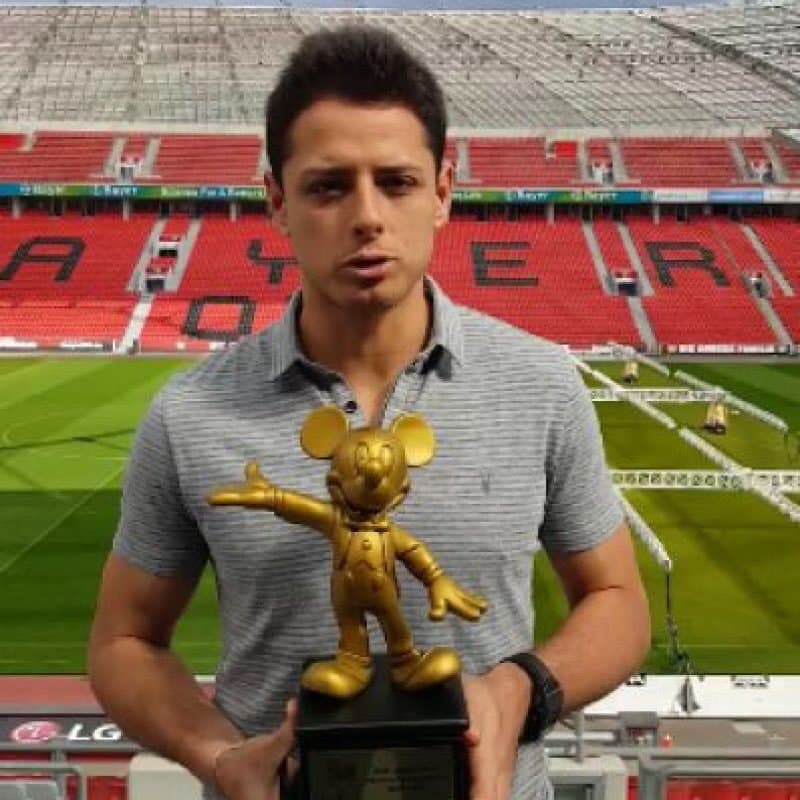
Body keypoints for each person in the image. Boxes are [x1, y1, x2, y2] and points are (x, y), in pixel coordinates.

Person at [88, 24, 650, 800]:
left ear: (442, 193)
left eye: (396, 182)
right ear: (277, 201)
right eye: (328, 186)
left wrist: (517, 690)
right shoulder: (190, 414)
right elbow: (123, 641)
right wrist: (221, 757)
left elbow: (618, 602)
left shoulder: (542, 383)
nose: (367, 217)